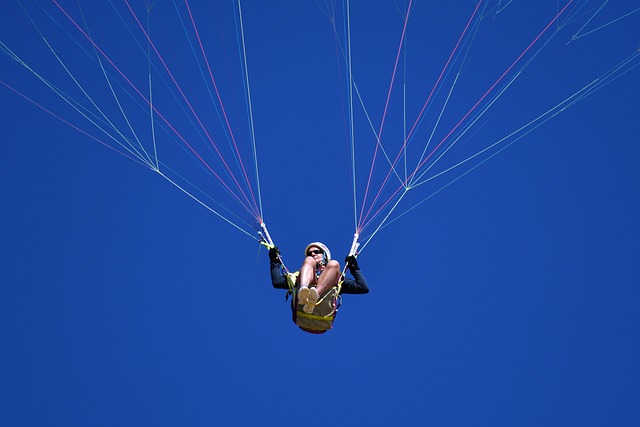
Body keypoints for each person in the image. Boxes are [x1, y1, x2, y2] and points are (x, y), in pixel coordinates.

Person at [268, 242, 368, 333]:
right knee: (309, 261)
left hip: (322, 316)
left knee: (334, 264)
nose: (313, 254)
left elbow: (363, 288)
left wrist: (354, 268)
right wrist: (274, 261)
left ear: (324, 255)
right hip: (303, 313)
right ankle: (304, 290)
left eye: (316, 252)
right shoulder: (297, 276)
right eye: (310, 253)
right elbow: (277, 282)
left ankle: (314, 295)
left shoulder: (337, 279)